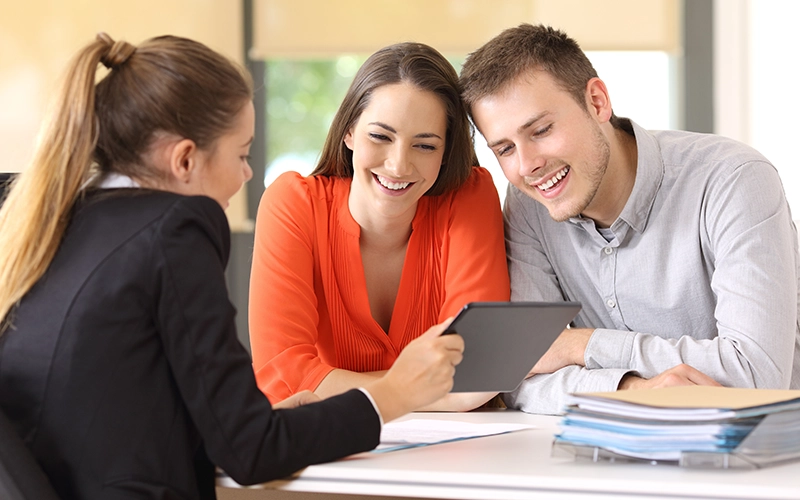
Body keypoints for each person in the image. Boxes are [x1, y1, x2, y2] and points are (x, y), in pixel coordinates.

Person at [0, 33, 465, 500]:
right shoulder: (172, 230)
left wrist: (294, 419)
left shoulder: (56, 216)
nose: (247, 175)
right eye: (241, 155)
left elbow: (126, 411)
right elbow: (250, 450)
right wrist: (393, 395)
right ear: (184, 159)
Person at [459, 23, 800, 414]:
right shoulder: (527, 205)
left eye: (541, 130)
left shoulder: (733, 180)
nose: (527, 165)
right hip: (619, 459)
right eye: (504, 149)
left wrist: (581, 346)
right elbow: (521, 378)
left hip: (765, 458)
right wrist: (634, 389)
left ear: (597, 101)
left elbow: (756, 376)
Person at [249, 42, 510, 411]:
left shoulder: (469, 196)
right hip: (334, 449)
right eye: (380, 136)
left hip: (453, 452)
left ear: (445, 153)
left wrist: (330, 386)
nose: (399, 165)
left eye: (424, 145)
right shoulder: (293, 204)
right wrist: (427, 391)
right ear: (349, 132)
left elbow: (480, 368)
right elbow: (283, 376)